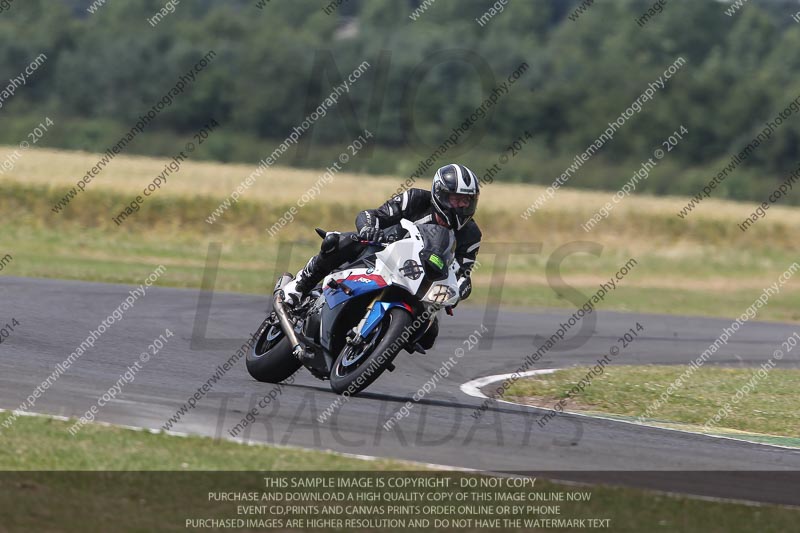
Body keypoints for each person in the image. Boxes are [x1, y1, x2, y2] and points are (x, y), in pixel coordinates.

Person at [280, 163, 482, 349]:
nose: (461, 206)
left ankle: (380, 342)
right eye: (455, 199)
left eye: (466, 201)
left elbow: (463, 271)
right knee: (342, 241)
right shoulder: (415, 199)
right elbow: (372, 215)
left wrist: (462, 288)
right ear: (439, 194)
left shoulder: (471, 235)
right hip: (382, 253)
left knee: (428, 336)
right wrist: (369, 228)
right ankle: (299, 286)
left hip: (419, 282)